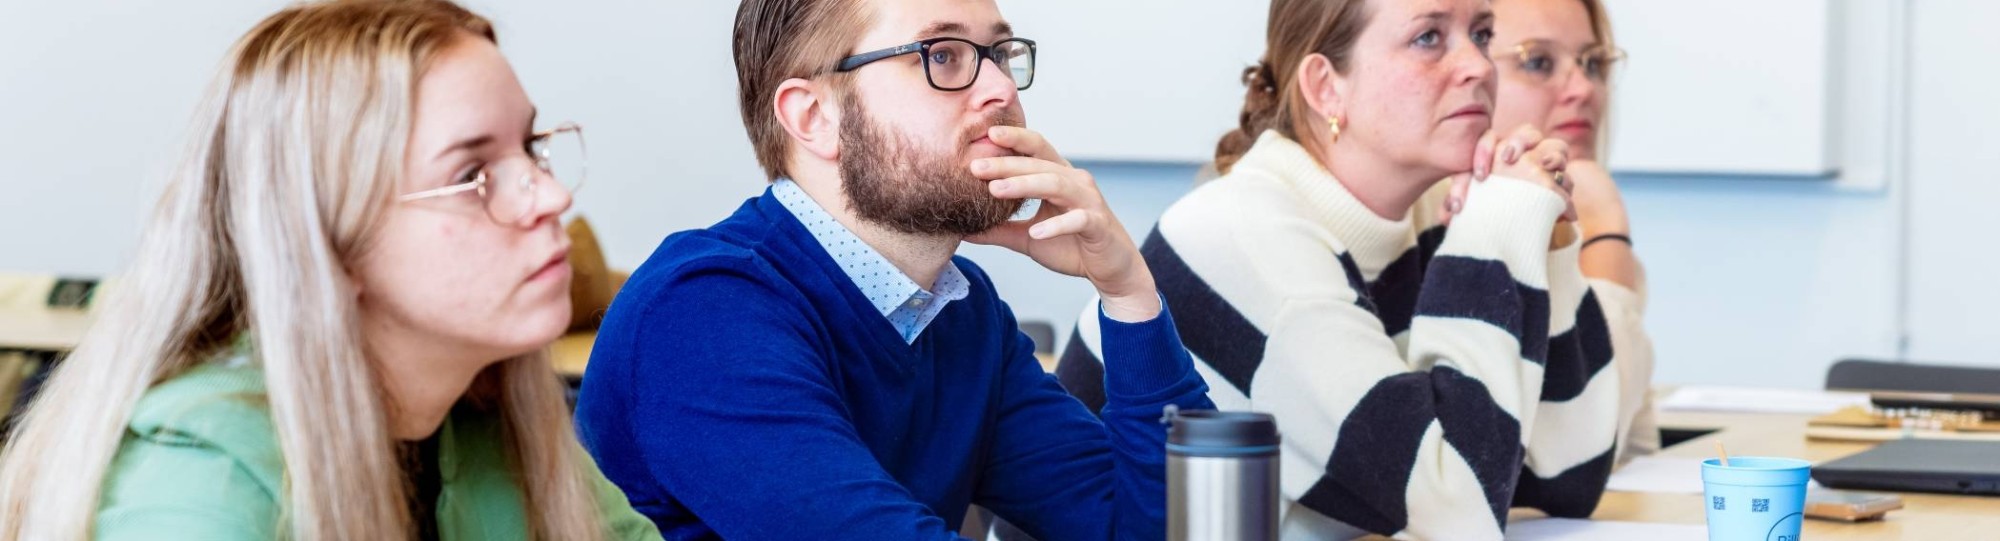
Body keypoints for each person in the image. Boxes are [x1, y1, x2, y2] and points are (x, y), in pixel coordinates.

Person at [0, 1, 659, 539]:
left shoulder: (482, 409)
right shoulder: (191, 483)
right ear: (326, 242)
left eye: (530, 148)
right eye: (471, 174)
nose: (552, 196)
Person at [572, 0, 1214, 538]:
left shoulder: (960, 313)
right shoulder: (700, 315)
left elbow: (1164, 529)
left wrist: (1129, 291)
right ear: (814, 117)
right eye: (942, 56)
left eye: (997, 53)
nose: (1001, 89)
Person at [1055, 0, 1650, 538]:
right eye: (1429, 38)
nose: (1477, 66)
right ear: (1325, 87)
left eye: (1482, 32)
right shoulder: (1243, 237)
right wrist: (1495, 229)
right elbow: (1458, 514)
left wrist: (1546, 233)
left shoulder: (1425, 213)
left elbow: (1569, 472)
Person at [1490, 0, 1658, 461]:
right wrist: (1606, 236)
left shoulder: (1571, 234)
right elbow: (1580, 452)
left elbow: (1636, 453)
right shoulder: (1446, 239)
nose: (1584, 88)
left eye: (1594, 63)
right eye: (1538, 62)